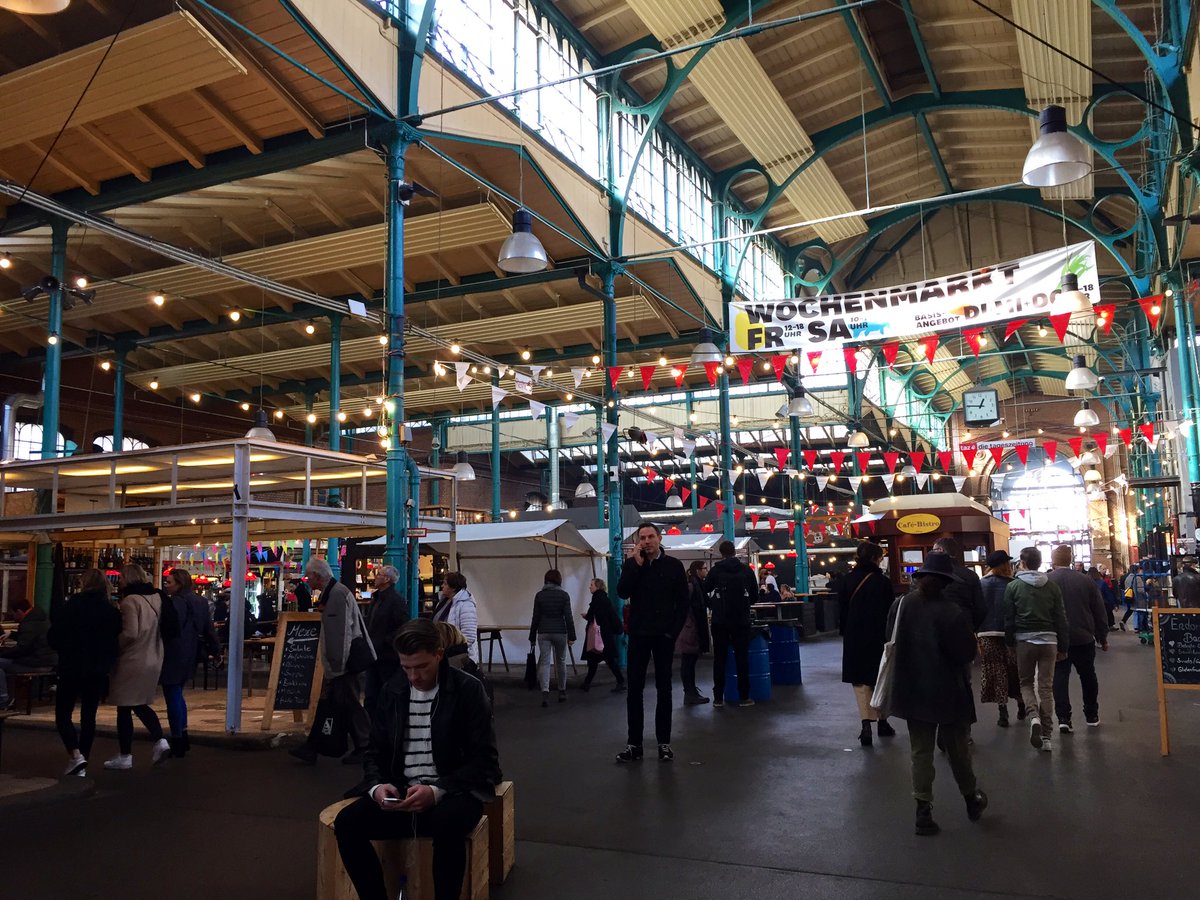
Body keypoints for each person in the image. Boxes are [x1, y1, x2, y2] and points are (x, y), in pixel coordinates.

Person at [333, 619, 500, 900]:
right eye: (406, 667)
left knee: (447, 824)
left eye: (421, 666)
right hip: (403, 791)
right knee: (347, 823)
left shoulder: (468, 689)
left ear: (439, 654)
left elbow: (485, 760)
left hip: (455, 791)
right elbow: (374, 752)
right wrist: (377, 787)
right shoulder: (392, 690)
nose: (414, 676)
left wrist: (437, 790)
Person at [886, 552, 986, 837]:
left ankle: (923, 811)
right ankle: (971, 799)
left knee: (920, 751)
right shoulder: (951, 611)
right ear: (946, 582)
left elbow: (889, 639)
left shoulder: (900, 605)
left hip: (911, 687)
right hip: (947, 690)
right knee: (957, 750)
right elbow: (965, 653)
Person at [615, 523, 689, 762]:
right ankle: (634, 744)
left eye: (650, 537)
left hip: (663, 636)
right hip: (639, 635)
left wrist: (673, 633)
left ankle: (664, 743)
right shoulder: (632, 565)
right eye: (642, 538)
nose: (646, 541)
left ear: (659, 538)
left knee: (664, 689)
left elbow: (683, 603)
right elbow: (622, 592)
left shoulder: (674, 566)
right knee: (634, 690)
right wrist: (636, 566)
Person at [290, 558, 374, 765]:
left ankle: (365, 746)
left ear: (317, 576)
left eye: (309, 576)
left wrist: (336, 666)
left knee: (347, 705)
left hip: (344, 664)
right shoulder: (335, 593)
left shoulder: (336, 595)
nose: (307, 580)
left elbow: (340, 634)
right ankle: (314, 747)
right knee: (337, 705)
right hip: (343, 663)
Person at [47, 568, 121, 776]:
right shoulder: (111, 611)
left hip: (71, 666)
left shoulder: (72, 606)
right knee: (89, 715)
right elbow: (115, 639)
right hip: (97, 669)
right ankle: (83, 759)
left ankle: (75, 753)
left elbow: (54, 636)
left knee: (63, 713)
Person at [1003, 547, 1069, 753]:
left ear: (1022, 563)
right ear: (1040, 563)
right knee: (1046, 688)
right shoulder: (1052, 587)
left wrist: (1009, 643)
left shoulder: (1013, 587)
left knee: (1026, 683)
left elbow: (1008, 618)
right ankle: (1047, 737)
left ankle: (1033, 717)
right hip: (1049, 641)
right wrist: (1063, 646)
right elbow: (1061, 618)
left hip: (1024, 641)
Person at [105, 564, 171, 769]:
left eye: (121, 577)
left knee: (126, 705)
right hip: (154, 654)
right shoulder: (157, 598)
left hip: (133, 659)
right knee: (138, 702)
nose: (119, 581)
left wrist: (114, 645)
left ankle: (127, 754)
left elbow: (131, 632)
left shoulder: (130, 601)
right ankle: (158, 741)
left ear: (128, 578)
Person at [840, 541, 898, 746]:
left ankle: (866, 725)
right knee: (880, 678)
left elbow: (842, 611)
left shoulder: (847, 580)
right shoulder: (883, 582)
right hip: (878, 637)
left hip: (854, 637)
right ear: (875, 558)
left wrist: (846, 633)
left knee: (860, 682)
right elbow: (891, 612)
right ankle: (883, 722)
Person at [160, 568, 222, 757]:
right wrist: (216, 650)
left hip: (174, 651)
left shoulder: (176, 602)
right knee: (178, 692)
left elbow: (172, 627)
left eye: (169, 582)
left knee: (172, 693)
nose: (166, 585)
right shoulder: (201, 601)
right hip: (192, 650)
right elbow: (209, 628)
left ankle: (178, 737)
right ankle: (182, 734)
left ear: (179, 584)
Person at [1047, 546, 1108, 732]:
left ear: (1053, 561)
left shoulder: (1047, 581)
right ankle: (1092, 714)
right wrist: (1102, 636)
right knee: (1088, 675)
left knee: (1059, 677)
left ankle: (1063, 718)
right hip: (1083, 637)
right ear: (1071, 560)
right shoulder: (1086, 580)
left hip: (1057, 639)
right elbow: (1099, 610)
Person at [703, 540, 757, 708]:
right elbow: (755, 595)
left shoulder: (716, 570)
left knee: (719, 659)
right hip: (741, 620)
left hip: (720, 621)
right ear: (734, 551)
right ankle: (744, 697)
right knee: (742, 658)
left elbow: (704, 589)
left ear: (721, 553)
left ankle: (718, 698)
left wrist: (713, 605)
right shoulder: (746, 570)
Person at [977, 550, 1024, 727]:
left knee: (996, 671)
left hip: (986, 633)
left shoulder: (980, 584)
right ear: (1004, 565)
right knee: (1014, 670)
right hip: (1010, 633)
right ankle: (1021, 703)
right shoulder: (1013, 584)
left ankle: (1002, 711)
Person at [364, 565, 410, 713]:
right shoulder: (377, 598)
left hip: (387, 656)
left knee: (386, 693)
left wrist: (385, 641)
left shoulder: (395, 601)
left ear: (387, 579)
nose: (375, 577)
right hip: (374, 654)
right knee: (371, 695)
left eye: (379, 574)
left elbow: (403, 626)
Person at [529, 569, 576, 707]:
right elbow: (568, 617)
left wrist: (532, 636)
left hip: (543, 632)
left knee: (545, 662)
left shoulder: (539, 596)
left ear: (546, 580)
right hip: (560, 632)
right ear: (559, 580)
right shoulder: (564, 595)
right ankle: (562, 691)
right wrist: (572, 636)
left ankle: (545, 693)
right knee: (561, 661)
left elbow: (535, 617)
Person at [0, 597, 57, 710]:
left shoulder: (28, 624)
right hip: (47, 661)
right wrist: (12, 634)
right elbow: (31, 639)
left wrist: (2, 653)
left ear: (19, 611)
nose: (13, 617)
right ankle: (9, 698)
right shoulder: (39, 618)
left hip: (37, 663)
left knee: (1, 663)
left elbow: (22, 649)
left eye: (13, 614)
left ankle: (3, 700)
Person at [580, 578, 625, 693]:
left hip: (598, 636)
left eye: (591, 585)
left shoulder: (596, 599)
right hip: (605, 634)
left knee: (595, 660)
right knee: (607, 660)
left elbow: (593, 615)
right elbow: (610, 615)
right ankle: (587, 683)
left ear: (597, 586)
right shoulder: (605, 598)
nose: (589, 587)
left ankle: (587, 683)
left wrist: (586, 616)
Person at [677, 561, 712, 706]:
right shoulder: (692, 587)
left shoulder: (697, 586)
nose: (706, 571)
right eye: (704, 568)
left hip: (691, 627)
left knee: (689, 661)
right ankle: (690, 693)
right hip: (690, 628)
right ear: (697, 570)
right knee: (688, 662)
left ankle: (691, 692)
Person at [932, 537, 986, 629]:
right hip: (963, 624)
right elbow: (981, 609)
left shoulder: (928, 575)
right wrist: (971, 626)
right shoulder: (970, 575)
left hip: (934, 627)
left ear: (940, 550)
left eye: (933, 550)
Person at [433, 572, 479, 664]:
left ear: (453, 587)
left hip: (457, 655)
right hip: (443, 651)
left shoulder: (466, 605)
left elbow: (469, 635)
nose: (442, 586)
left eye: (445, 584)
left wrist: (455, 651)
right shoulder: (443, 601)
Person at [1120, 564, 1145, 629]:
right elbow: (1141, 590)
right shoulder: (1137, 578)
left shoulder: (1127, 578)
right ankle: (1138, 627)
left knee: (1131, 610)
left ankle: (1124, 621)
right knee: (1140, 613)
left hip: (1129, 597)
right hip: (1138, 598)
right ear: (1137, 570)